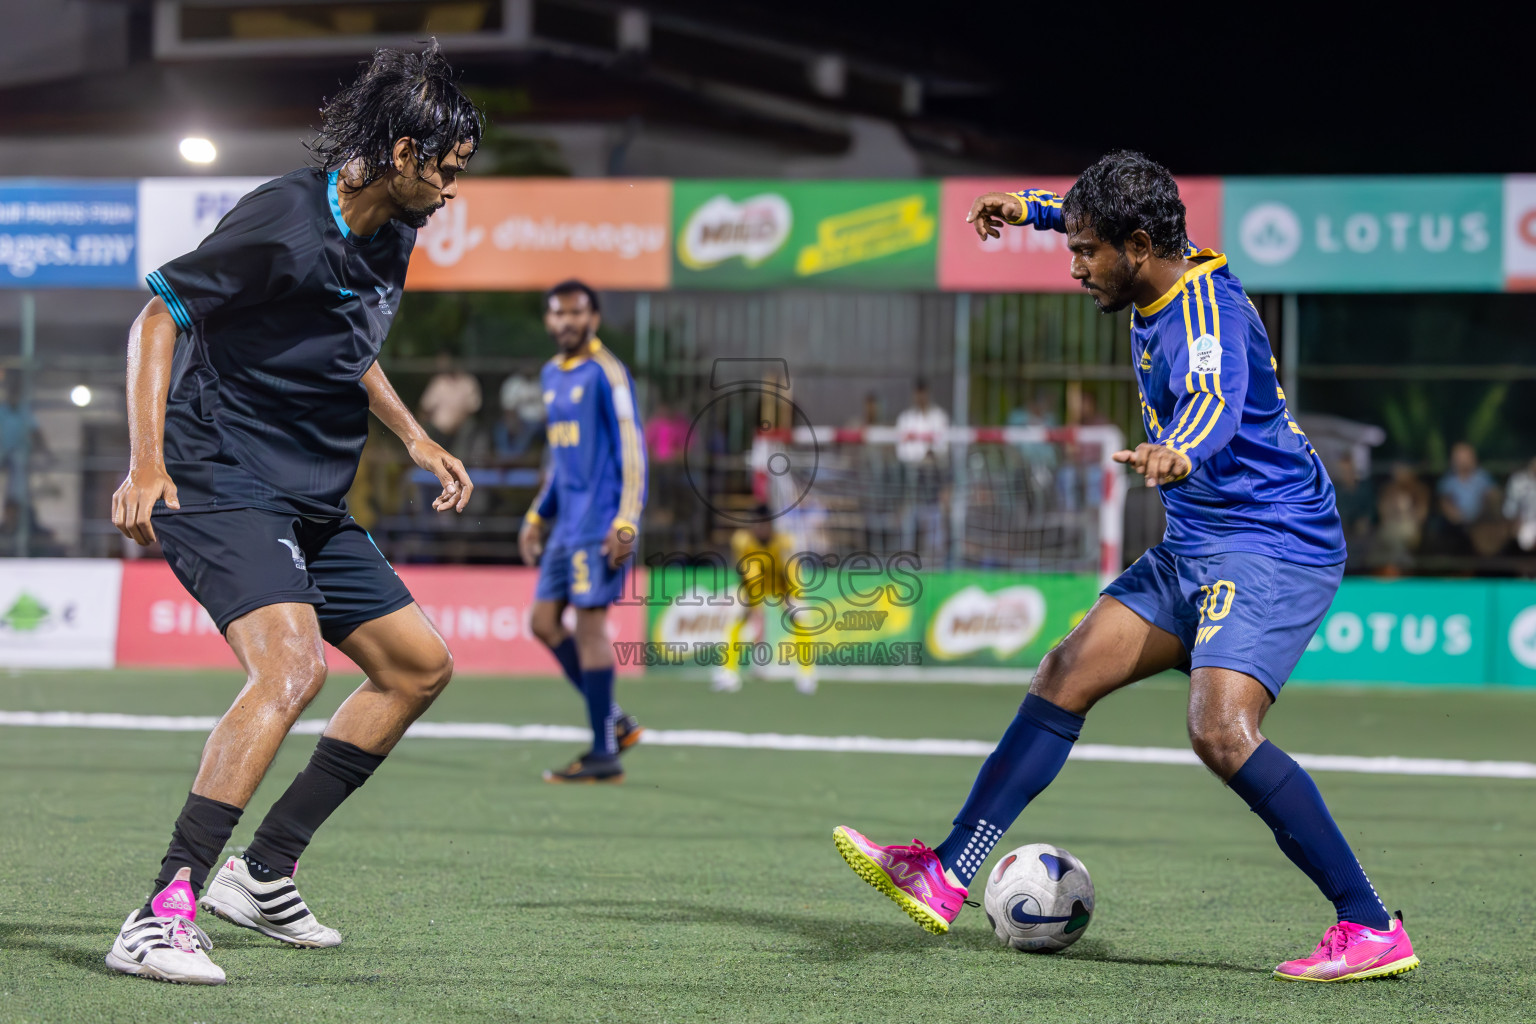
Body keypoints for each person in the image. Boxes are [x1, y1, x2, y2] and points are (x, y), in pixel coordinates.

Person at [832, 152, 1418, 984]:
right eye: (1071, 247)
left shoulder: (1204, 318)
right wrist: (1025, 209)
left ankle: (1368, 925)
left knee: (1220, 732)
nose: (1076, 268)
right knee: (1064, 670)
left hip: (1272, 542)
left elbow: (1212, 401)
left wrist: (1180, 451)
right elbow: (1075, 210)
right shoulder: (1152, 269)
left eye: (1085, 253)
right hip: (1198, 542)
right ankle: (949, 871)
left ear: (1137, 246)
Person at [106, 44, 480, 986]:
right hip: (218, 475)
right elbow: (158, 317)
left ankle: (263, 873)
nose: (452, 191)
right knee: (292, 670)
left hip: (309, 492)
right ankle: (163, 910)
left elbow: (345, 340)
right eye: (447, 170)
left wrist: (412, 437)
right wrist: (147, 462)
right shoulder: (283, 218)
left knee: (418, 669)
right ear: (402, 153)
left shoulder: (395, 226)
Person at [519, 280, 647, 783]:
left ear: (593, 316)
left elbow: (632, 451)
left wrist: (626, 520)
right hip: (564, 525)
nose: (566, 322)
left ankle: (603, 752)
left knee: (591, 630)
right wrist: (536, 514)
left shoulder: (607, 373)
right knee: (544, 624)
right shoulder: (551, 375)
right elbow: (560, 460)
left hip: (599, 525)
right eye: (557, 314)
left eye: (576, 313)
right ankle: (613, 719)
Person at [714, 506, 818, 695]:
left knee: (800, 617)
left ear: (771, 525)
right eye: (757, 524)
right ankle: (728, 672)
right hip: (755, 584)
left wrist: (794, 595)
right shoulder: (742, 541)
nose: (761, 528)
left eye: (765, 524)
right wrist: (750, 602)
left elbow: (791, 569)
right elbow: (744, 570)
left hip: (780, 583)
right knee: (736, 616)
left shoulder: (784, 541)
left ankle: (806, 673)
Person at [894, 379, 949, 562]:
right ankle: (907, 560)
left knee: (934, 523)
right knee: (909, 524)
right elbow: (902, 452)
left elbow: (942, 449)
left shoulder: (939, 417)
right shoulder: (906, 419)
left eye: (923, 392)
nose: (920, 396)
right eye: (917, 392)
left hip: (932, 478)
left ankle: (935, 562)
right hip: (911, 478)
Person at [417, 351, 482, 448]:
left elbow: (472, 409)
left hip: (460, 431)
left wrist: (455, 424)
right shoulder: (438, 382)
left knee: (469, 428)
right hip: (438, 432)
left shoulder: (468, 382)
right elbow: (425, 408)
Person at [1504, 456, 1536, 552]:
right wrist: (1515, 520)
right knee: (1525, 541)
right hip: (1524, 524)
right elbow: (1509, 510)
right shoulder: (1518, 481)